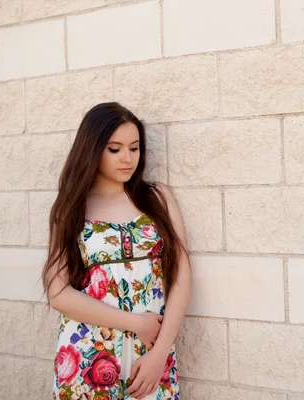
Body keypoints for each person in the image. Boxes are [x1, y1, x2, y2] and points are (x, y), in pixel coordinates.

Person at [42, 102, 191, 400]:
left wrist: (160, 353)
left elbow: (181, 277)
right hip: (87, 355)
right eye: (115, 149)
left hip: (150, 356)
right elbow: (58, 294)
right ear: (92, 149)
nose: (127, 158)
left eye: (134, 148)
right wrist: (136, 324)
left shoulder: (157, 198)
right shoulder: (72, 208)